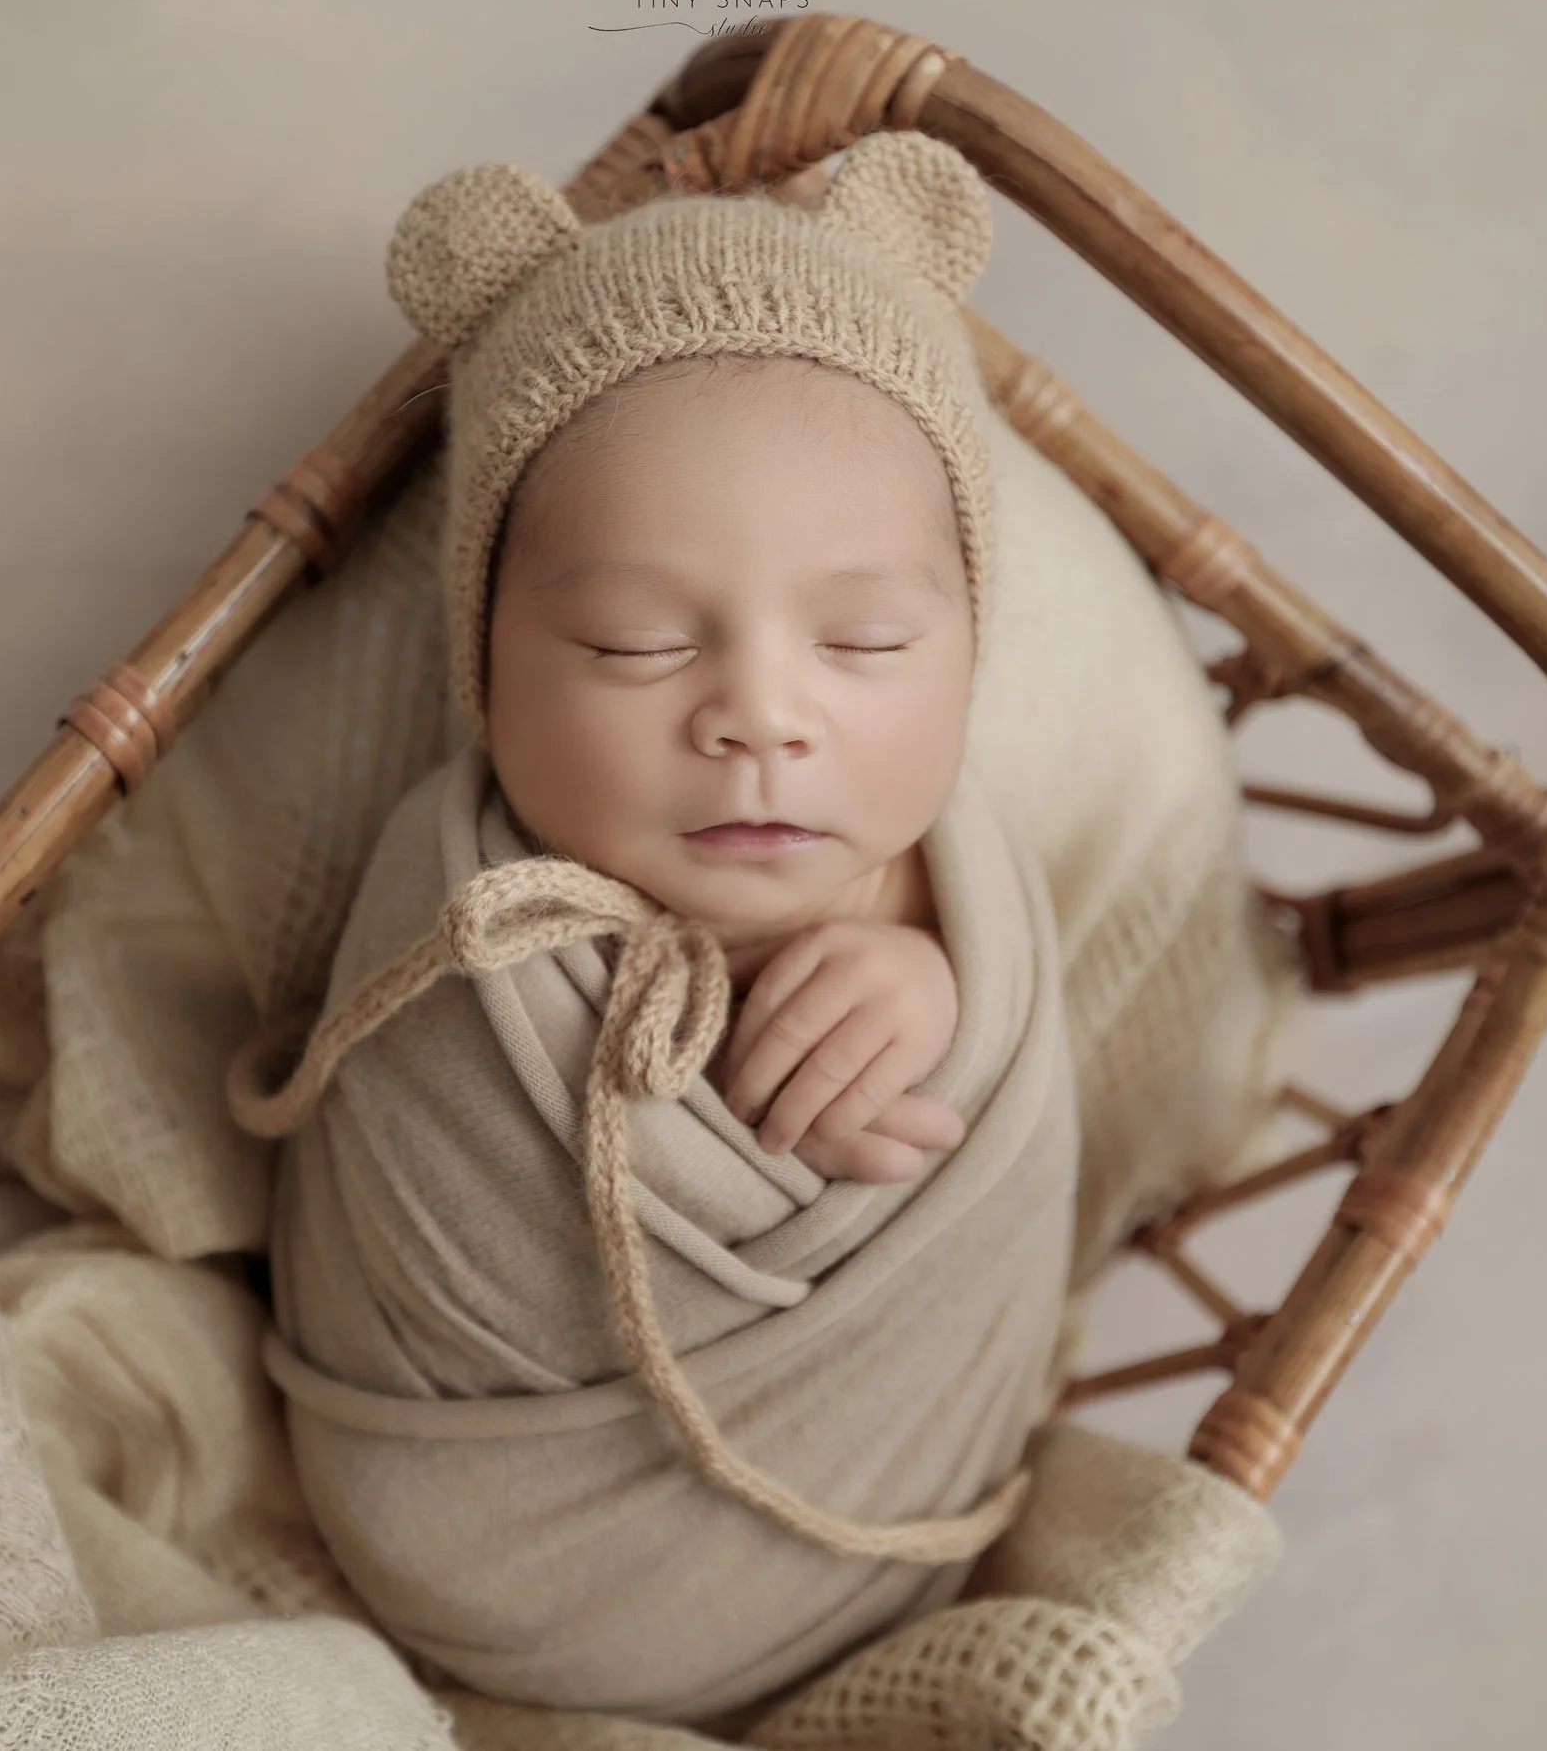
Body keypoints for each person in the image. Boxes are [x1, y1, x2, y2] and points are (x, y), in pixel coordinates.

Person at [224, 130, 1082, 1732]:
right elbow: (403, 1194)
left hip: (874, 1543)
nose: (761, 713)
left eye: (867, 637)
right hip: (468, 1554)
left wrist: (940, 1001)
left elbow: (1005, 1169)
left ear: (970, 648)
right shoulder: (457, 914)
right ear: (486, 661)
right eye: (633, 642)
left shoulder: (975, 906)